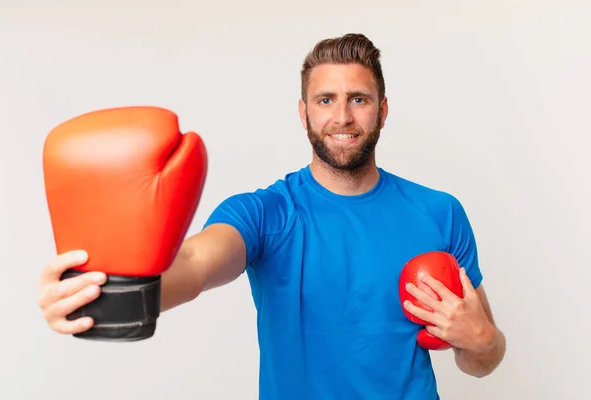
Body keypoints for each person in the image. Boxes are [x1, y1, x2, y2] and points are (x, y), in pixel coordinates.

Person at [37, 33, 506, 399]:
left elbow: (483, 356)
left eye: (358, 99)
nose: (341, 117)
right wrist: (104, 292)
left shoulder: (440, 213)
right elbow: (196, 265)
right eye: (325, 100)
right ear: (303, 112)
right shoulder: (266, 212)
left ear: (382, 111)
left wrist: (483, 340)